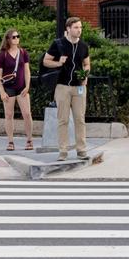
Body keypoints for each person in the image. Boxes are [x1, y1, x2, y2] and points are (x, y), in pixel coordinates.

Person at [42, 15, 92, 159]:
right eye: (76, 27)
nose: (79, 30)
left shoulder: (83, 46)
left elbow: (87, 63)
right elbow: (46, 61)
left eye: (80, 27)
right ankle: (63, 151)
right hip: (62, 87)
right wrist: (58, 63)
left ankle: (81, 150)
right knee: (63, 120)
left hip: (79, 87)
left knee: (80, 119)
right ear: (68, 29)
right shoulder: (58, 44)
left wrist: (86, 75)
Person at [0, 29, 35, 152]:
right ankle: (10, 141)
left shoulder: (23, 53)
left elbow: (27, 71)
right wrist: (2, 91)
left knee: (27, 114)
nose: (16, 39)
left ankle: (29, 140)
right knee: (9, 115)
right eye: (14, 37)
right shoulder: (3, 55)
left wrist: (27, 86)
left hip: (22, 87)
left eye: (18, 36)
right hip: (8, 88)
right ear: (8, 39)